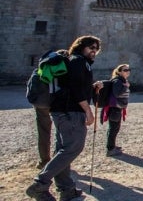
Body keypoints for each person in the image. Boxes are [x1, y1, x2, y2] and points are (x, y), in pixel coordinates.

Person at [26, 35, 102, 201]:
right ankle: (40, 184)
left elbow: (70, 85)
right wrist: (88, 111)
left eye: (96, 48)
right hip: (70, 112)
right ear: (81, 47)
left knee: (64, 149)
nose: (94, 51)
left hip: (62, 111)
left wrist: (92, 87)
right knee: (73, 148)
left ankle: (66, 189)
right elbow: (75, 89)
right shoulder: (78, 61)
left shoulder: (74, 62)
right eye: (91, 47)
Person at [101, 64, 131, 157]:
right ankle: (110, 149)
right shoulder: (118, 81)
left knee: (115, 128)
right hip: (115, 108)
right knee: (113, 128)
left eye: (128, 69)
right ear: (119, 71)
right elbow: (117, 93)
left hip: (117, 108)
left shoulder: (121, 80)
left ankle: (112, 146)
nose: (127, 71)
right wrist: (125, 86)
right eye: (125, 70)